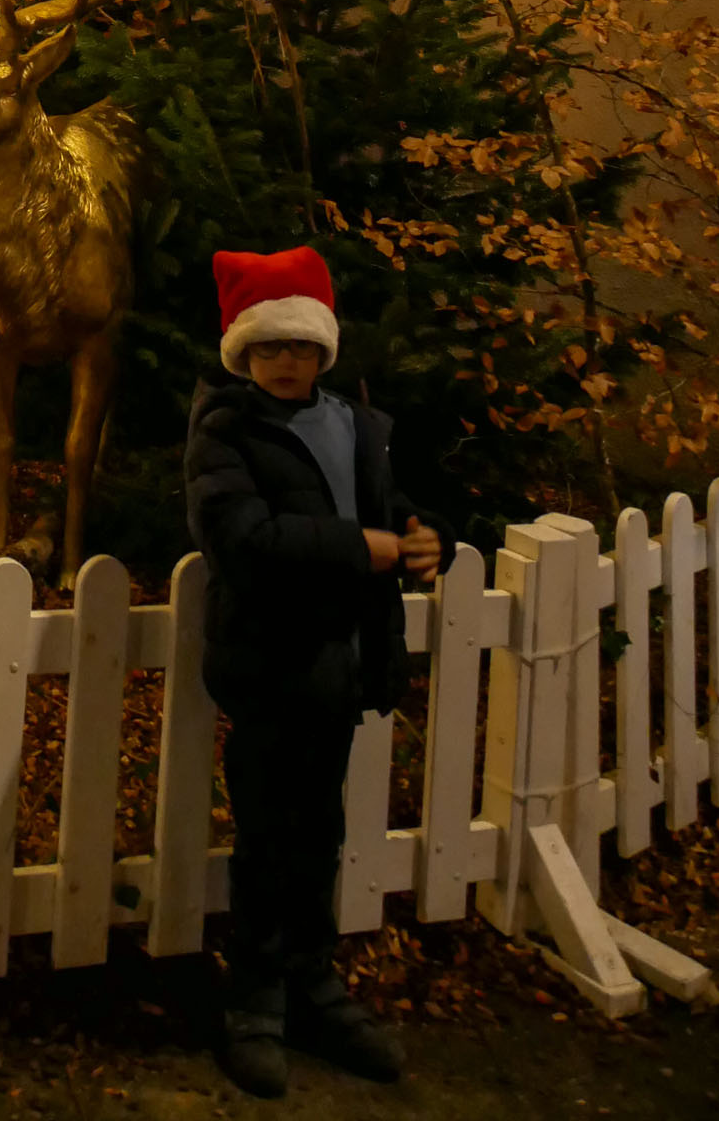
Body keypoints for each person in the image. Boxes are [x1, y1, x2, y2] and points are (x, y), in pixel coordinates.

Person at [184, 245, 450, 1101]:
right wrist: (360, 549)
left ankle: (313, 982)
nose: (287, 362)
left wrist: (418, 536)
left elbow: (383, 504)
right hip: (272, 663)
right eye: (270, 347)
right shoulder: (226, 430)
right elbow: (243, 540)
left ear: (324, 349)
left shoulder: (353, 423)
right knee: (268, 835)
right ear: (244, 351)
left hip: (342, 663)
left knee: (319, 832)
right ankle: (255, 999)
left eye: (301, 346)